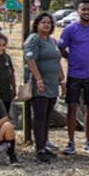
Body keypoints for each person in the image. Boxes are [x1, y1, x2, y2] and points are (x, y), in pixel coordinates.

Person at [58, 0, 89, 156]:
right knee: (72, 108)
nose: (87, 12)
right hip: (74, 75)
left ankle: (88, 141)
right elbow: (61, 48)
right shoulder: (70, 29)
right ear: (78, 11)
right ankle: (70, 142)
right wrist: (70, 58)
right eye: (84, 9)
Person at [25, 12, 65, 163]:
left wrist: (62, 80)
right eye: (43, 22)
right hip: (40, 84)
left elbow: (57, 60)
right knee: (40, 115)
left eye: (49, 23)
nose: (46, 25)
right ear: (37, 24)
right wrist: (39, 79)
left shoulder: (52, 41)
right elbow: (30, 59)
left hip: (53, 83)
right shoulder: (34, 39)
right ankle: (39, 148)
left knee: (48, 115)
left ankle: (45, 143)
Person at [0, 33, 17, 115]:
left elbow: (11, 73)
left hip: (6, 92)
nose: (1, 48)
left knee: (5, 114)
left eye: (3, 45)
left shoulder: (6, 57)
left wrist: (14, 88)